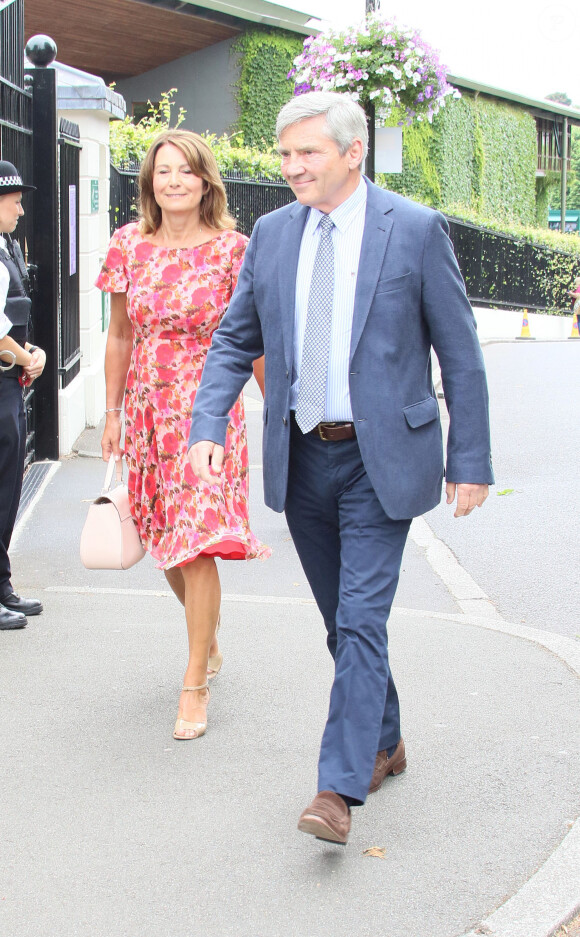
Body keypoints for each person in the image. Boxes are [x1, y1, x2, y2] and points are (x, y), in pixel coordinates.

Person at [188, 92, 493, 843]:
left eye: (308, 154)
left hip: (379, 459)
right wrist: (207, 424)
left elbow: (459, 352)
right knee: (342, 622)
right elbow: (234, 338)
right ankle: (385, 739)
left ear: (352, 152)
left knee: (360, 618)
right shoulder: (272, 234)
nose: (291, 167)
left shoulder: (414, 230)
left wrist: (471, 459)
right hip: (303, 457)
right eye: (285, 154)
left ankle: (337, 786)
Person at [97, 130, 268, 740]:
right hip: (147, 410)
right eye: (162, 171)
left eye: (185, 171)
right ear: (150, 183)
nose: (173, 181)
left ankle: (194, 682)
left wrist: (276, 414)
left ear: (205, 182)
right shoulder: (127, 247)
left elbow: (251, 340)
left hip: (210, 415)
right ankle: (210, 636)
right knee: (164, 540)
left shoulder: (234, 250)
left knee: (197, 543)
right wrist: (112, 412)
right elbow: (119, 335)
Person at [0, 160, 46, 631]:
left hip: (7, 384)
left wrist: (28, 351)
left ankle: (1, 584)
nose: (19, 208)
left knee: (7, 489)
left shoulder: (7, 246)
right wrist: (25, 357)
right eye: (13, 199)